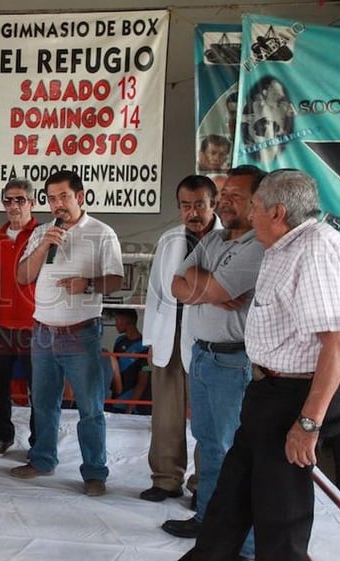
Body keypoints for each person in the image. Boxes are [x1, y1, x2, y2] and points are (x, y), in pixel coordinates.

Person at [179, 169, 340, 561]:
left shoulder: (316, 250)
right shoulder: (283, 246)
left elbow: (338, 342)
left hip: (300, 394)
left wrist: (308, 423)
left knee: (279, 514)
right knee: (231, 497)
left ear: (278, 212)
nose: (249, 214)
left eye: (255, 207)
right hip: (270, 389)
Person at [163, 166, 266, 559]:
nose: (224, 203)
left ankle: (241, 543)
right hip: (203, 353)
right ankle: (207, 519)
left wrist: (203, 285)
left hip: (233, 359)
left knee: (231, 451)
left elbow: (211, 286)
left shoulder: (258, 244)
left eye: (234, 196)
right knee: (207, 444)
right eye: (223, 195)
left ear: (258, 202)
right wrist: (209, 289)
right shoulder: (216, 238)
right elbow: (176, 283)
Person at [9, 170, 124, 497]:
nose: (57, 204)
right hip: (43, 332)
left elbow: (116, 280)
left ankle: (94, 472)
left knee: (90, 407)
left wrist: (87, 284)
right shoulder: (44, 232)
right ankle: (43, 459)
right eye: (52, 198)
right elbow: (21, 277)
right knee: (43, 402)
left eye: (64, 196)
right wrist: (44, 245)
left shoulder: (103, 233)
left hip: (81, 334)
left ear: (81, 196)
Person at [139, 175, 218, 504]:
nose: (193, 212)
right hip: (168, 335)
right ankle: (166, 478)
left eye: (200, 204)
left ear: (213, 204)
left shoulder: (228, 239)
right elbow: (155, 291)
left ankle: (204, 484)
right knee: (166, 414)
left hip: (209, 340)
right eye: (186, 206)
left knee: (208, 418)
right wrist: (151, 339)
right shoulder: (170, 239)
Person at [0, 178, 38, 457]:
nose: (14, 205)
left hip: (34, 323)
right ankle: (2, 435)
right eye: (8, 199)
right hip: (2, 323)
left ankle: (38, 443)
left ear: (32, 202)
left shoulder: (42, 234)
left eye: (20, 199)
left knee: (37, 388)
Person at [241, 76, 294, 164]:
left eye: (279, 95)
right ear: (265, 92)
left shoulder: (283, 108)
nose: (278, 97)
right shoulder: (257, 106)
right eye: (275, 94)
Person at [108, 309, 150, 415]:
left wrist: (130, 407)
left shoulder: (145, 345)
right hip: (117, 398)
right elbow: (114, 369)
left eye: (117, 320)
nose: (115, 324)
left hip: (135, 404)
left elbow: (143, 381)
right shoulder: (119, 341)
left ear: (125, 320)